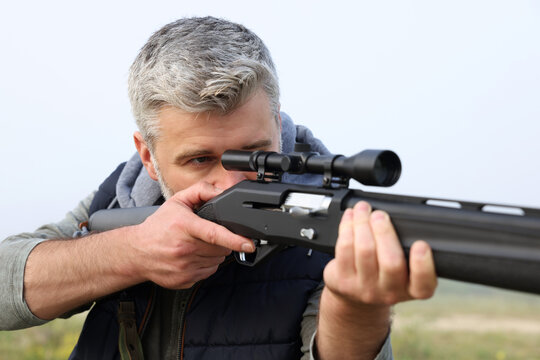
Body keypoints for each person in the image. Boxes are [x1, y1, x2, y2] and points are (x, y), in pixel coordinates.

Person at [0, 16, 437, 359]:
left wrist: (356, 307)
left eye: (256, 154)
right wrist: (131, 252)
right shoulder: (124, 196)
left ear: (277, 124)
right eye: (200, 160)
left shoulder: (326, 219)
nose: (229, 184)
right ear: (148, 156)